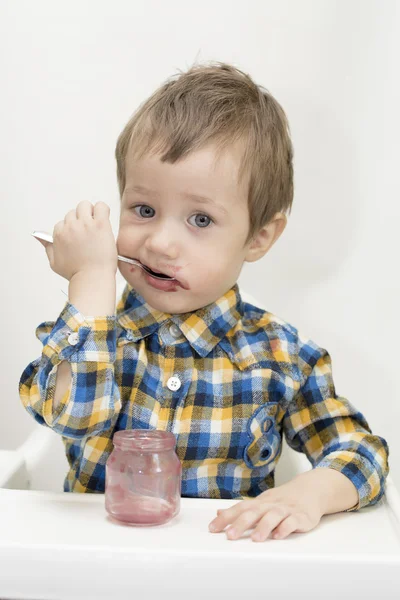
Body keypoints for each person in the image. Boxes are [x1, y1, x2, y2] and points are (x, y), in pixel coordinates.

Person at [19, 62, 389, 542]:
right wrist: (91, 282)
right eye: (144, 210)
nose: (160, 244)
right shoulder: (92, 335)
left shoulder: (282, 356)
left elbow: (363, 453)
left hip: (224, 575)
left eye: (200, 220)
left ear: (258, 237)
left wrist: (309, 494)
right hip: (100, 568)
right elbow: (73, 418)